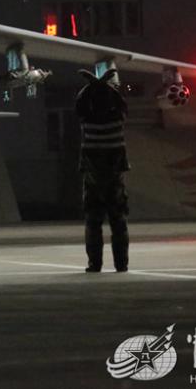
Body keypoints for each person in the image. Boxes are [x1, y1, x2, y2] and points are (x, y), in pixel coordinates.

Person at [75, 68, 129, 273]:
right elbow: (122, 103)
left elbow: (79, 104)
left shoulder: (87, 122)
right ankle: (121, 264)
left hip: (93, 180)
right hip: (115, 179)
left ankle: (94, 264)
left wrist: (91, 85)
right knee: (119, 222)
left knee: (93, 223)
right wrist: (105, 85)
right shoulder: (117, 120)